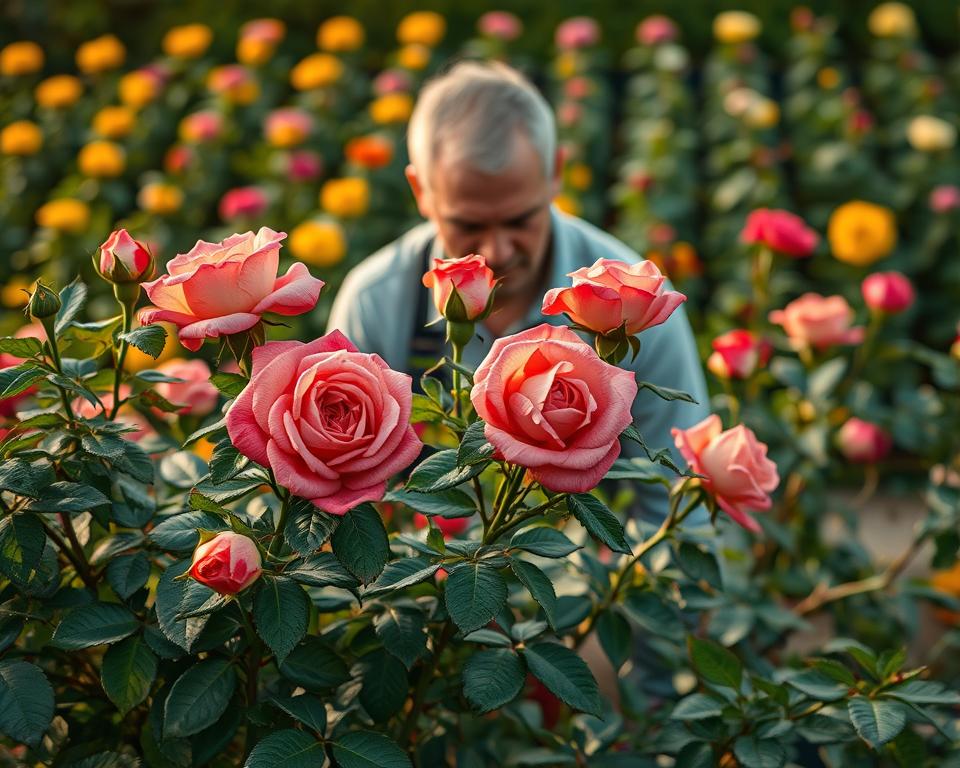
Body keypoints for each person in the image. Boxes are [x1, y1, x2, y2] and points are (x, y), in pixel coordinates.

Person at [327, 60, 709, 522]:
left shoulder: (631, 304)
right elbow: (343, 503)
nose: (497, 250)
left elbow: (674, 508)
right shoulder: (377, 301)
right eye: (468, 224)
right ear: (420, 191)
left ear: (555, 172)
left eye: (520, 220)